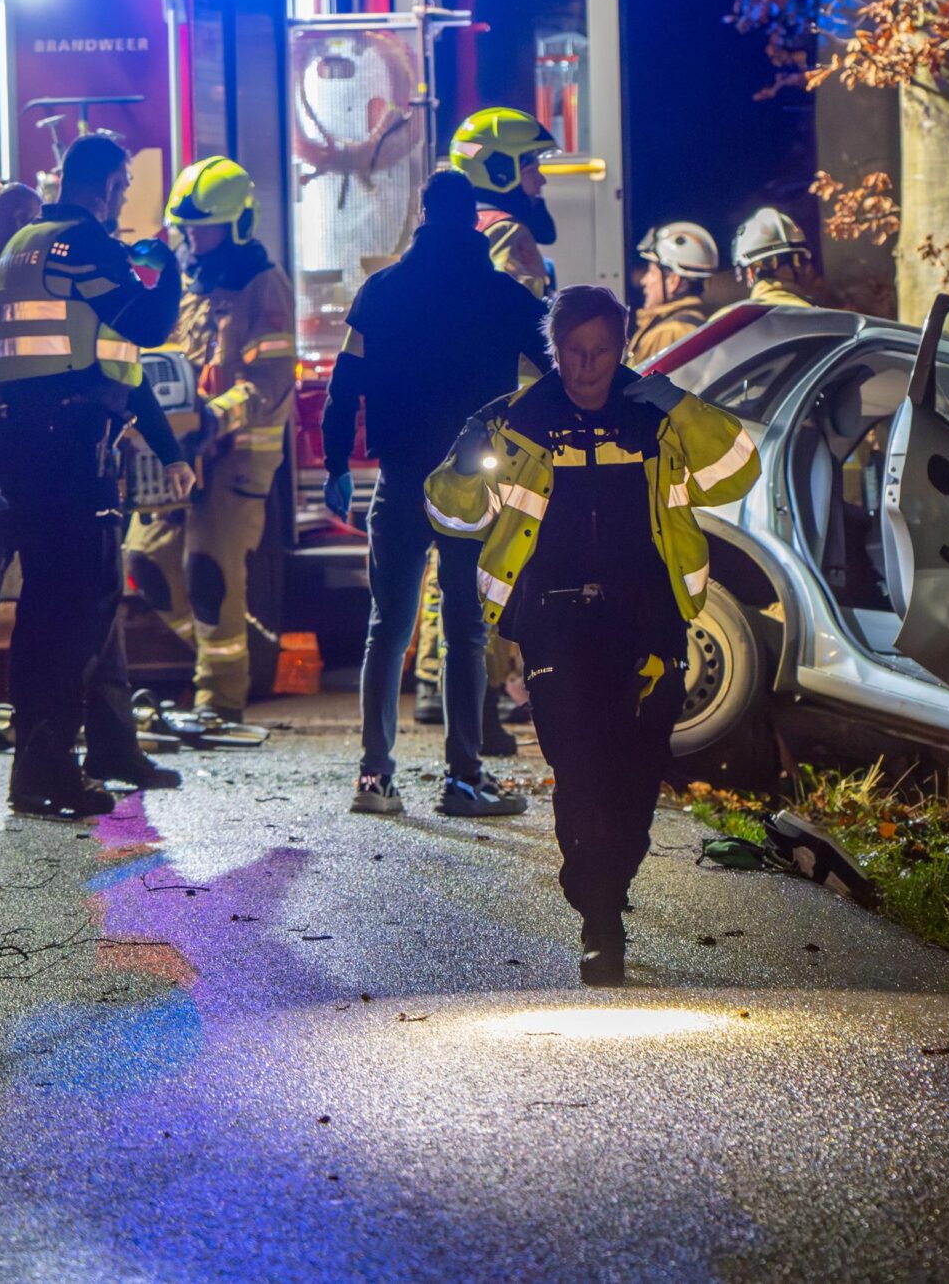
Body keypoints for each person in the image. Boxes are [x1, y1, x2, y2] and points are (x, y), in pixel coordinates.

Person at [425, 284, 763, 984]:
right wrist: (463, 465)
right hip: (554, 621)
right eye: (573, 352)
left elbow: (738, 468)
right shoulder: (516, 421)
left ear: (622, 347)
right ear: (554, 348)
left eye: (601, 352)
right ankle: (599, 918)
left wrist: (679, 403)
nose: (586, 367)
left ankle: (609, 882)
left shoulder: (656, 418)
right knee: (580, 770)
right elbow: (454, 517)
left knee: (636, 775)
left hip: (648, 618)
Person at [0, 182, 189, 803]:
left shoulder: (66, 293)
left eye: (30, 223)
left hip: (40, 465)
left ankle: (115, 747)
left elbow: (123, 377)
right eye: (15, 224)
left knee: (90, 614)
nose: (27, 238)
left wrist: (169, 451)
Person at [322, 169, 552, 817]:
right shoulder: (500, 294)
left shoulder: (381, 291)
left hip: (397, 479)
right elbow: (560, 362)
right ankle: (463, 777)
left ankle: (374, 778)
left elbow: (345, 387)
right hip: (473, 485)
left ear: (422, 214)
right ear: (472, 221)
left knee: (386, 629)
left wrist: (336, 463)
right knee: (465, 632)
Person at [0, 134, 185, 819]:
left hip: (28, 443)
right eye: (123, 187)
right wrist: (169, 265)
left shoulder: (22, 245)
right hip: (73, 449)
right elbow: (151, 324)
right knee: (80, 609)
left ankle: (38, 763)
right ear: (105, 184)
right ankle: (52, 768)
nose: (124, 199)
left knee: (43, 609)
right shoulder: (88, 244)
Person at [122, 156, 294, 736]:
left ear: (240, 222)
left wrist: (212, 420)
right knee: (144, 560)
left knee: (207, 568)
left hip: (237, 454)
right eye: (186, 227)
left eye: (205, 227)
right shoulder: (189, 286)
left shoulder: (262, 285)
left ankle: (220, 702)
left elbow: (269, 384)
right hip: (181, 451)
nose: (193, 237)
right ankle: (243, 654)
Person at [420, 106, 557, 734]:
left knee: (452, 538)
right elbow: (531, 338)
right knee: (495, 550)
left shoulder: (444, 233)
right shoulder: (507, 236)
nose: (540, 182)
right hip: (507, 421)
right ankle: (474, 697)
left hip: (450, 416)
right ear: (498, 167)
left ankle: (434, 680)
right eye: (532, 167)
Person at [449, 105, 558, 297]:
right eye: (532, 171)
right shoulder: (505, 231)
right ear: (501, 173)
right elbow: (510, 306)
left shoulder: (458, 223)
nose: (542, 181)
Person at [628, 222, 721, 364]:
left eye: (652, 272)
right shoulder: (685, 324)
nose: (644, 281)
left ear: (673, 281)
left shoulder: (669, 333)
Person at [733, 206, 827, 308]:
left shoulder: (725, 320)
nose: (809, 269)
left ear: (750, 273)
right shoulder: (821, 318)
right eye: (803, 262)